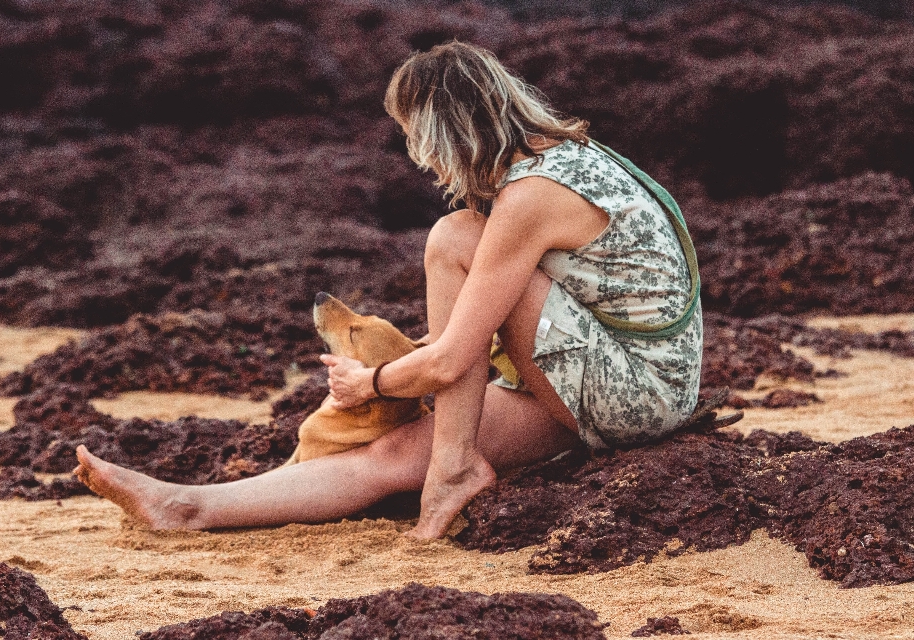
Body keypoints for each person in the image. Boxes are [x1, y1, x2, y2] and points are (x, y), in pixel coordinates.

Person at [74, 41, 702, 540]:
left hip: (638, 393)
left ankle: (453, 467)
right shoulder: (563, 158)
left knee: (453, 236)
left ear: (440, 130)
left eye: (411, 134)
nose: (415, 154)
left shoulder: (532, 196)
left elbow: (457, 357)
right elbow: (484, 332)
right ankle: (184, 507)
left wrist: (371, 383)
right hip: (606, 381)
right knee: (395, 453)